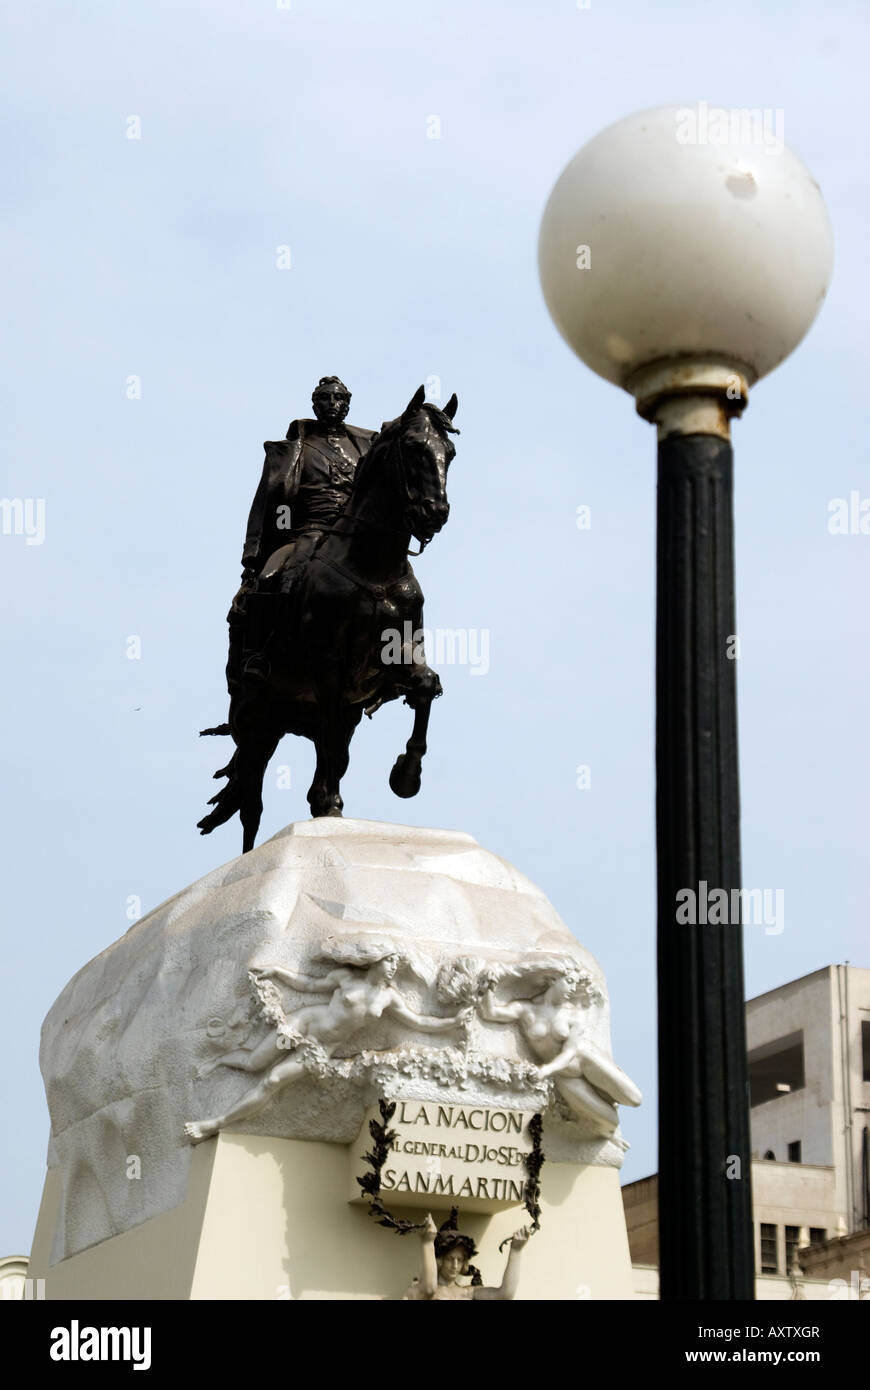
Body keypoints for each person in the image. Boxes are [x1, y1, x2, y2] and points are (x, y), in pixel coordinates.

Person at [184, 939, 470, 1143]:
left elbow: (418, 1021)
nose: (393, 967)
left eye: (397, 963)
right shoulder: (347, 978)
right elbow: (309, 985)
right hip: (303, 1024)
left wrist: (453, 1022)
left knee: (271, 1082)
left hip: (319, 1050)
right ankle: (219, 1060)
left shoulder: (388, 997)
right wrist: (278, 973)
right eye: (390, 961)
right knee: (254, 1062)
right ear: (376, 961)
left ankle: (216, 1123)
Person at [228, 376, 376, 685]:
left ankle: (403, 657)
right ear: (315, 405)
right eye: (325, 399)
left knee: (403, 587)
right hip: (308, 531)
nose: (332, 405)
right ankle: (261, 653)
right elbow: (264, 507)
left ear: (347, 405)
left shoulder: (365, 447)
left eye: (338, 399)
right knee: (273, 577)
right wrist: (251, 562)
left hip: (355, 536)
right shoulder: (294, 449)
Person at [478, 961, 642, 1135]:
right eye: (569, 981)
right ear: (552, 980)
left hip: (583, 1061)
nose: (573, 988)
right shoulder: (527, 1009)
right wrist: (488, 987)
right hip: (564, 1077)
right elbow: (491, 1013)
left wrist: (545, 1071)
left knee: (635, 1099)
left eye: (575, 984)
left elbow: (570, 1053)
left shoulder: (574, 1015)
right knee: (611, 1121)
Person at [402, 1212, 530, 1300]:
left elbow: (505, 1294)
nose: (455, 1265)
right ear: (439, 1260)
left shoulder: (468, 1292)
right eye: (450, 1259)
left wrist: (516, 1250)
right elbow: (429, 1289)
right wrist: (428, 1243)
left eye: (460, 1260)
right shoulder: (418, 1288)